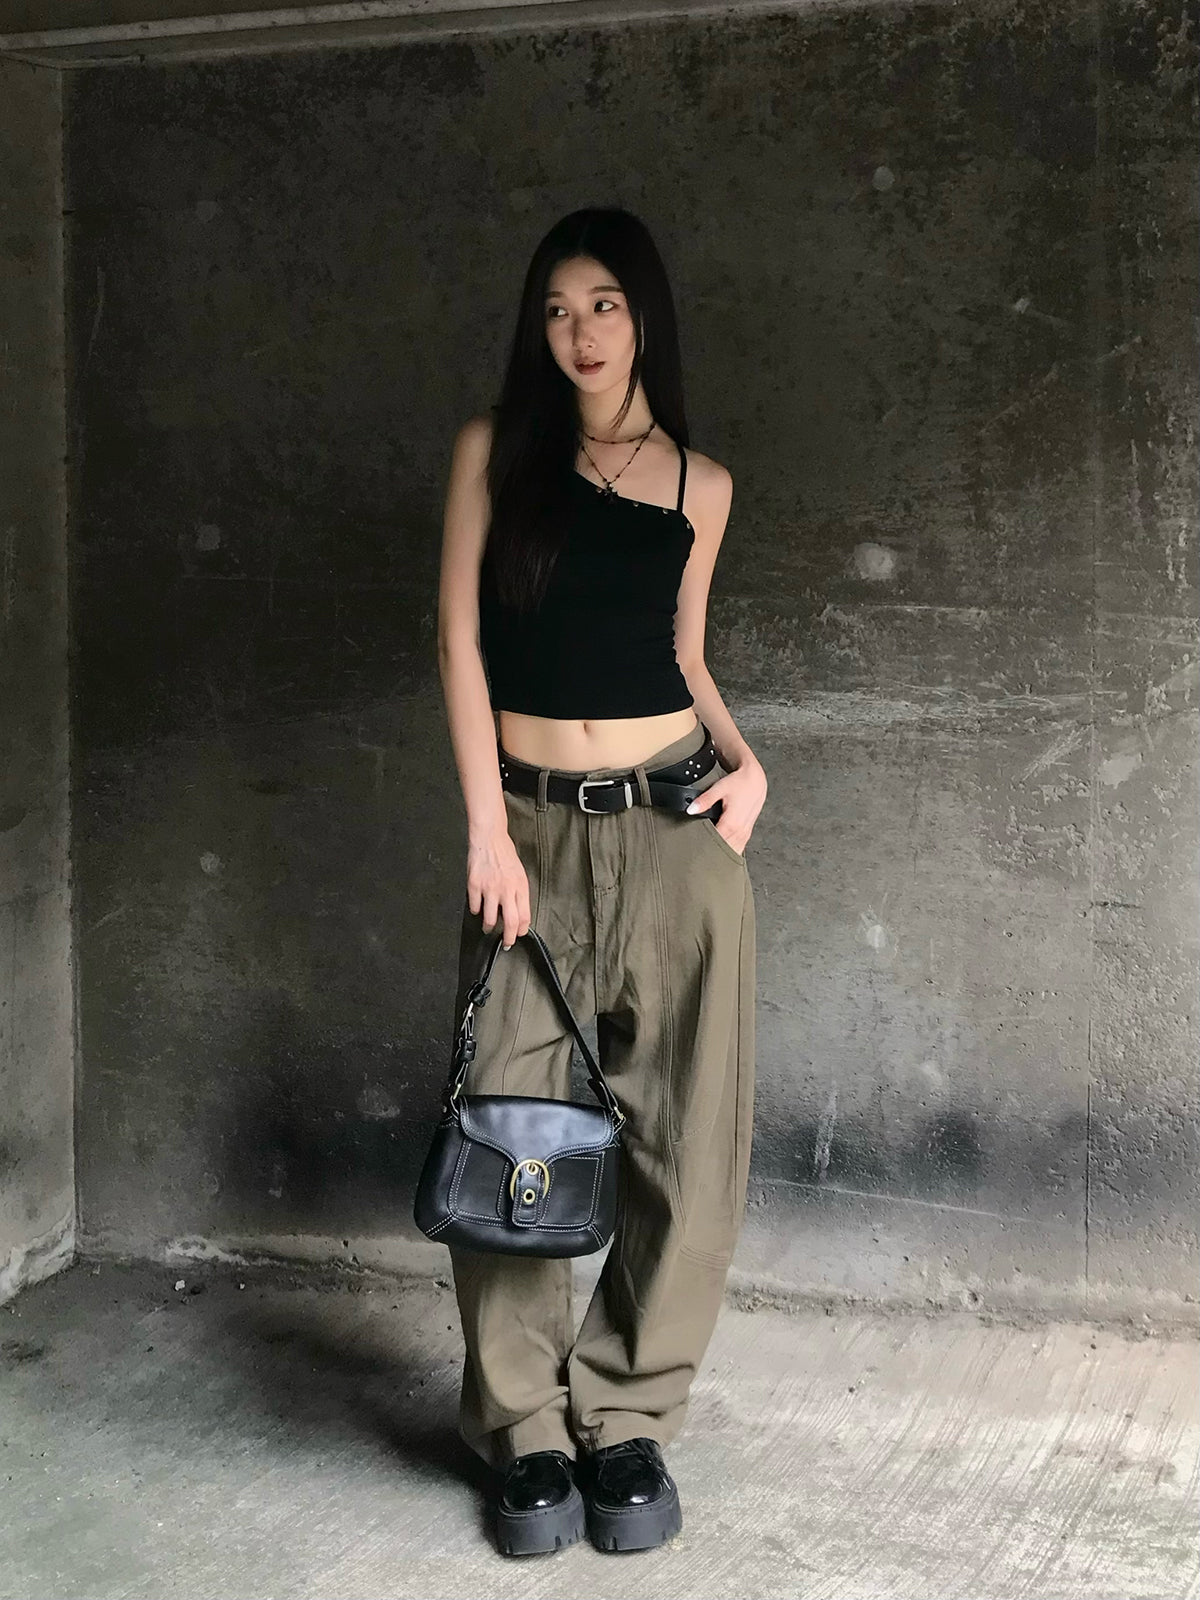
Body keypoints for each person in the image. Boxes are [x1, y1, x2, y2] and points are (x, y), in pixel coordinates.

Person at [435, 206, 768, 1557]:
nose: (580, 332)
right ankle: (522, 1428)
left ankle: (625, 1413)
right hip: (527, 829)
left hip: (678, 830)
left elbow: (684, 656)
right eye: (559, 308)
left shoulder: (701, 484)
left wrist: (749, 762)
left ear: (644, 318)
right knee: (510, 1124)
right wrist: (485, 832)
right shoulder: (495, 452)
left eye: (605, 305)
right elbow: (460, 642)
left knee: (689, 1135)